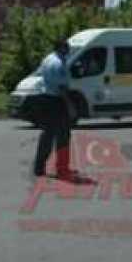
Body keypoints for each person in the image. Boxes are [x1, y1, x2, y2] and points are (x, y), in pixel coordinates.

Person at [32, 39, 78, 181]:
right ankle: (62, 169)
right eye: (67, 49)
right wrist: (70, 106)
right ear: (62, 48)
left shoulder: (47, 59)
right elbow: (62, 88)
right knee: (63, 135)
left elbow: (39, 76)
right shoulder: (60, 63)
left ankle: (39, 167)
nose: (69, 52)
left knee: (47, 134)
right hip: (58, 101)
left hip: (46, 98)